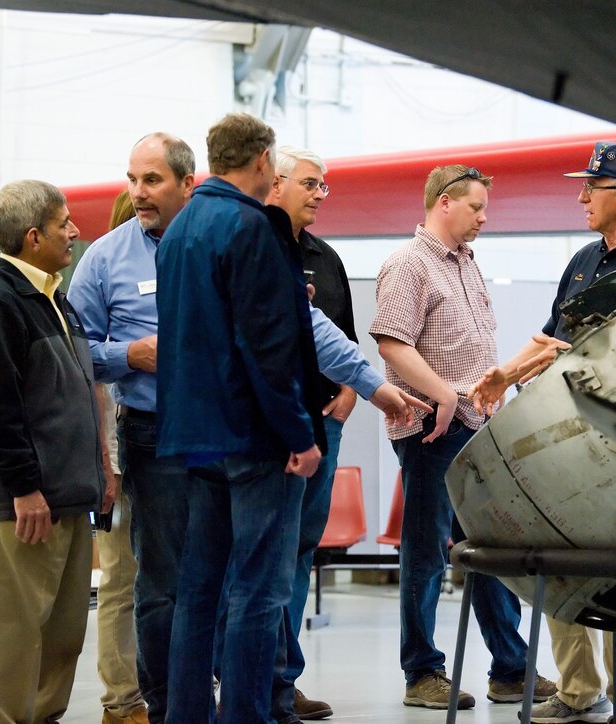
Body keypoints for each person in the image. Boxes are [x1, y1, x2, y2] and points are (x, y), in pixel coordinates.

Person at [155, 113, 428, 724]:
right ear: (262, 163)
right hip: (256, 441)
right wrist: (299, 435)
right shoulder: (254, 227)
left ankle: (186, 715)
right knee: (260, 588)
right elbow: (270, 347)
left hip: (196, 440)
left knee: (200, 590)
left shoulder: (179, 231)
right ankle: (248, 715)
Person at [469, 141, 616, 724]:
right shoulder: (583, 260)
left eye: (592, 188)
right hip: (567, 437)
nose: (580, 197)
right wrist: (505, 373)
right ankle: (580, 690)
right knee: (558, 552)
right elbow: (552, 333)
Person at [369, 164, 557, 711]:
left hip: (475, 427)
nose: (483, 217)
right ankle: (422, 673)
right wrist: (443, 395)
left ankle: (510, 668)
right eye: (476, 207)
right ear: (445, 202)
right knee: (426, 552)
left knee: (493, 549)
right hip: (432, 427)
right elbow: (391, 342)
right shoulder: (408, 264)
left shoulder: (468, 265)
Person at [0, 179, 107, 724]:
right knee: (12, 640)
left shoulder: (55, 299)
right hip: (27, 506)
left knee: (62, 639)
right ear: (32, 235)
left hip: (68, 500)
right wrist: (24, 487)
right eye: (63, 223)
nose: (74, 232)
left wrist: (100, 474)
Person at [68, 133, 197, 723]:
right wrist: (130, 356)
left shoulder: (220, 245)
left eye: (151, 180)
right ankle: (164, 705)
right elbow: (78, 352)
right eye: (133, 180)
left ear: (186, 182)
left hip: (228, 436)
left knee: (224, 577)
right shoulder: (104, 258)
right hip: (151, 434)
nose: (137, 193)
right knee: (158, 581)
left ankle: (213, 695)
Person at [265, 145, 354, 721]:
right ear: (275, 183)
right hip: (273, 430)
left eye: (324, 185)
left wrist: (348, 396)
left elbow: (341, 339)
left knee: (299, 552)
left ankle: (285, 676)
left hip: (323, 424)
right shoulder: (257, 247)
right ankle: (259, 675)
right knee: (266, 554)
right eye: (311, 183)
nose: (321, 194)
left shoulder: (326, 258)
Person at [93, 189, 150, 724]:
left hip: (162, 445)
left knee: (160, 576)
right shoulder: (105, 267)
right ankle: (121, 698)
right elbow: (94, 382)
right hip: (120, 446)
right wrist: (108, 467)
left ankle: (155, 688)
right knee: (119, 577)